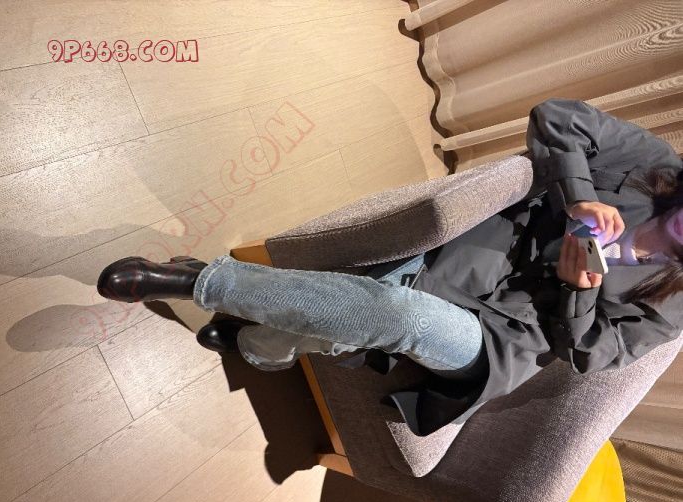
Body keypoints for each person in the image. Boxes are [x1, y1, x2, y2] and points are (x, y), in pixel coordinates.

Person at [97, 98, 683, 436]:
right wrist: (580, 196)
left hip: (502, 341)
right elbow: (558, 117)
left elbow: (592, 354)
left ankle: (202, 283)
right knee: (377, 305)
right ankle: (257, 341)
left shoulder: (675, 305)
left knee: (404, 315)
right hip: (472, 253)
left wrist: (577, 292)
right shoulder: (655, 163)